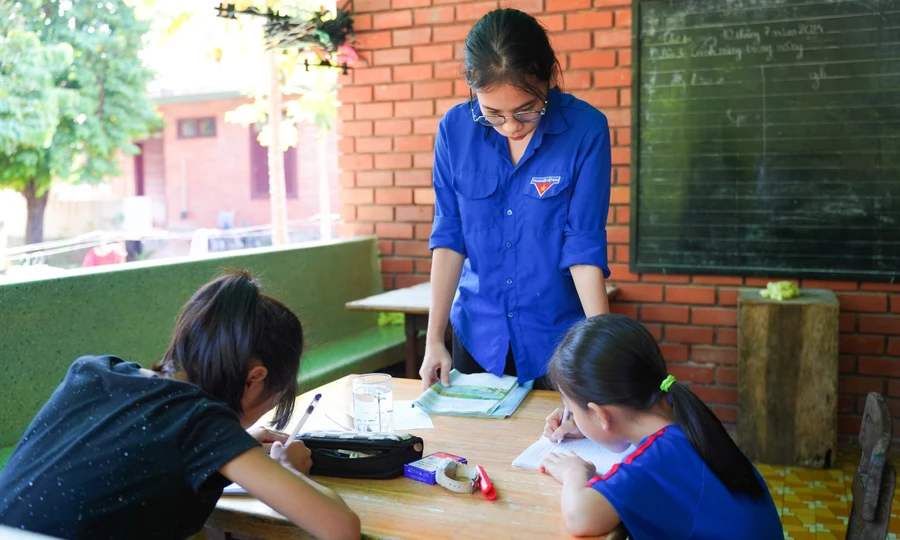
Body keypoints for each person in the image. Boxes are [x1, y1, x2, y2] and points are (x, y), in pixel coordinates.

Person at [0, 271, 361, 540]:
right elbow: (340, 528)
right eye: (272, 398)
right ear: (254, 379)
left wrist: (239, 444)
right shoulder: (202, 422)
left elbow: (143, 443)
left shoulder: (93, 371)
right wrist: (291, 474)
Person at [421, 8, 612, 391]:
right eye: (493, 113)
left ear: (548, 79)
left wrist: (602, 356)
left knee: (558, 447)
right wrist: (433, 340)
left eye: (527, 110)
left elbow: (583, 245)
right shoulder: (455, 130)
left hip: (557, 338)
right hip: (477, 333)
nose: (510, 127)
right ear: (473, 90)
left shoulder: (586, 129)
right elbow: (450, 236)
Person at [539, 315, 783, 539]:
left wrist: (575, 472)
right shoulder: (681, 415)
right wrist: (590, 427)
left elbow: (580, 517)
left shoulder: (657, 460)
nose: (571, 415)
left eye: (571, 408)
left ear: (600, 415)